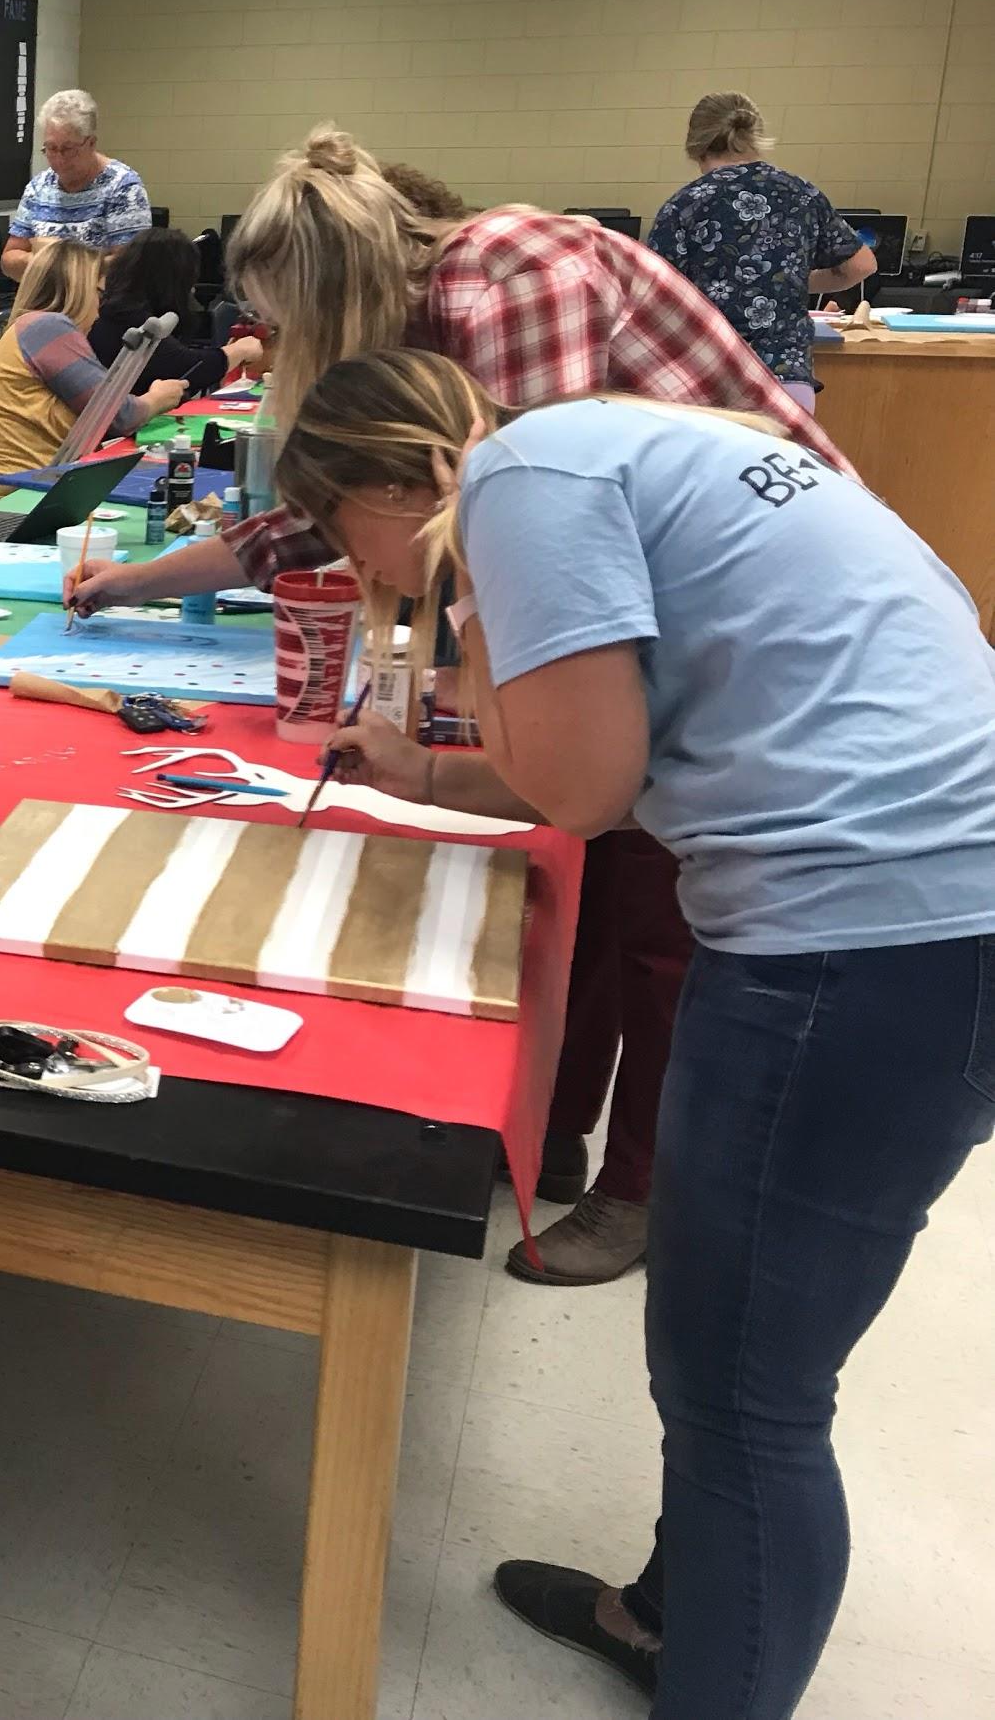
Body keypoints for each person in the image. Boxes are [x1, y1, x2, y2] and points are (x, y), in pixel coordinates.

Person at [272, 346, 995, 1720]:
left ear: (400, 480)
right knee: (737, 1358)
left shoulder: (513, 481)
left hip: (865, 938)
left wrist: (471, 624)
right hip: (930, 909)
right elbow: (614, 747)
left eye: (343, 536)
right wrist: (425, 772)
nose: (359, 572)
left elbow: (586, 789)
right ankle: (671, 1615)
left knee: (747, 1399)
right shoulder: (609, 443)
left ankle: (715, 1680)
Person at [64, 127, 859, 1282]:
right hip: (646, 589)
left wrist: (468, 692)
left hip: (742, 607)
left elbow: (538, 521)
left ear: (338, 293)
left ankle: (649, 1187)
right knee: (585, 879)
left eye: (285, 326)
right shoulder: (424, 333)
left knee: (659, 917)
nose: (275, 349)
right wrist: (133, 583)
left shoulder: (508, 274)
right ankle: (550, 1136)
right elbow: (323, 520)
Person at [648, 91, 875, 411]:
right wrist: (792, 280)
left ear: (695, 146)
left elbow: (654, 300)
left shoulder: (683, 205)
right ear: (755, 136)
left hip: (708, 383)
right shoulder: (800, 193)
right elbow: (862, 265)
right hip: (786, 381)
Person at [0, 242, 187, 512]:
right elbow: (119, 415)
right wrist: (158, 399)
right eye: (98, 294)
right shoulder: (47, 327)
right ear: (79, 289)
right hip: (15, 504)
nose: (99, 310)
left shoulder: (34, 327)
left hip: (32, 491)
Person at [90, 228, 266, 397]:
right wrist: (239, 350)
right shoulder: (125, 315)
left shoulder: (119, 308)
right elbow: (184, 368)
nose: (192, 288)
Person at [0, 90, 153, 280]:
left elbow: (132, 264)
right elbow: (8, 260)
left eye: (68, 149)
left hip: (101, 298)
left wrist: (66, 266)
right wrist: (41, 262)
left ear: (91, 143)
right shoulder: (38, 188)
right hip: (47, 296)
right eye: (51, 148)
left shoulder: (123, 187)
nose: (59, 159)